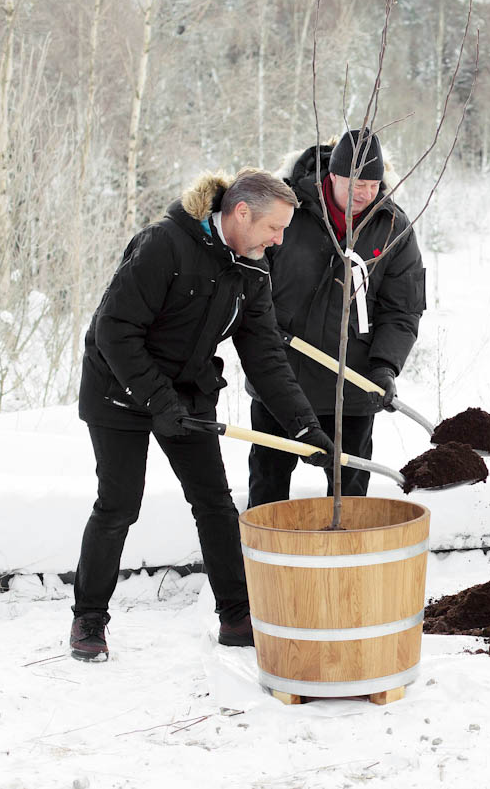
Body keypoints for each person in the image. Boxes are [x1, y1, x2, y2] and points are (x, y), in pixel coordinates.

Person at [71, 169, 335, 662]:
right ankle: (89, 617)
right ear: (240, 213)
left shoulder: (253, 267)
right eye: (273, 228)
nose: (279, 240)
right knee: (119, 504)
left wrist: (306, 427)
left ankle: (236, 616)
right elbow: (114, 331)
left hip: (187, 391)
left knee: (214, 502)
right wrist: (158, 402)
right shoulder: (164, 245)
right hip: (119, 390)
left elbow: (265, 356)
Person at [246, 128, 425, 505]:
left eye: (373, 184)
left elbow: (402, 309)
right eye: (355, 183)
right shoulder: (286, 212)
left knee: (350, 496)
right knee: (268, 484)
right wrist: (262, 327)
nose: (364, 193)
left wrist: (384, 367)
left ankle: (345, 563)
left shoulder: (393, 228)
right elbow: (249, 279)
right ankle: (261, 562)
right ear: (332, 176)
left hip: (354, 386)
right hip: (281, 381)